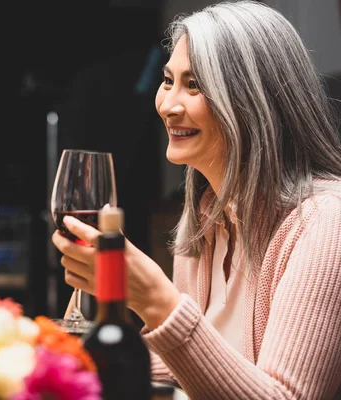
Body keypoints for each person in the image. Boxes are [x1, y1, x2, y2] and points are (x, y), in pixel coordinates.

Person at [52, 1, 341, 398]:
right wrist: (53, 360)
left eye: (195, 85)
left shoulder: (326, 223)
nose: (168, 105)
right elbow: (186, 366)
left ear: (253, 101)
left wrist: (157, 302)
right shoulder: (209, 216)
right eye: (168, 80)